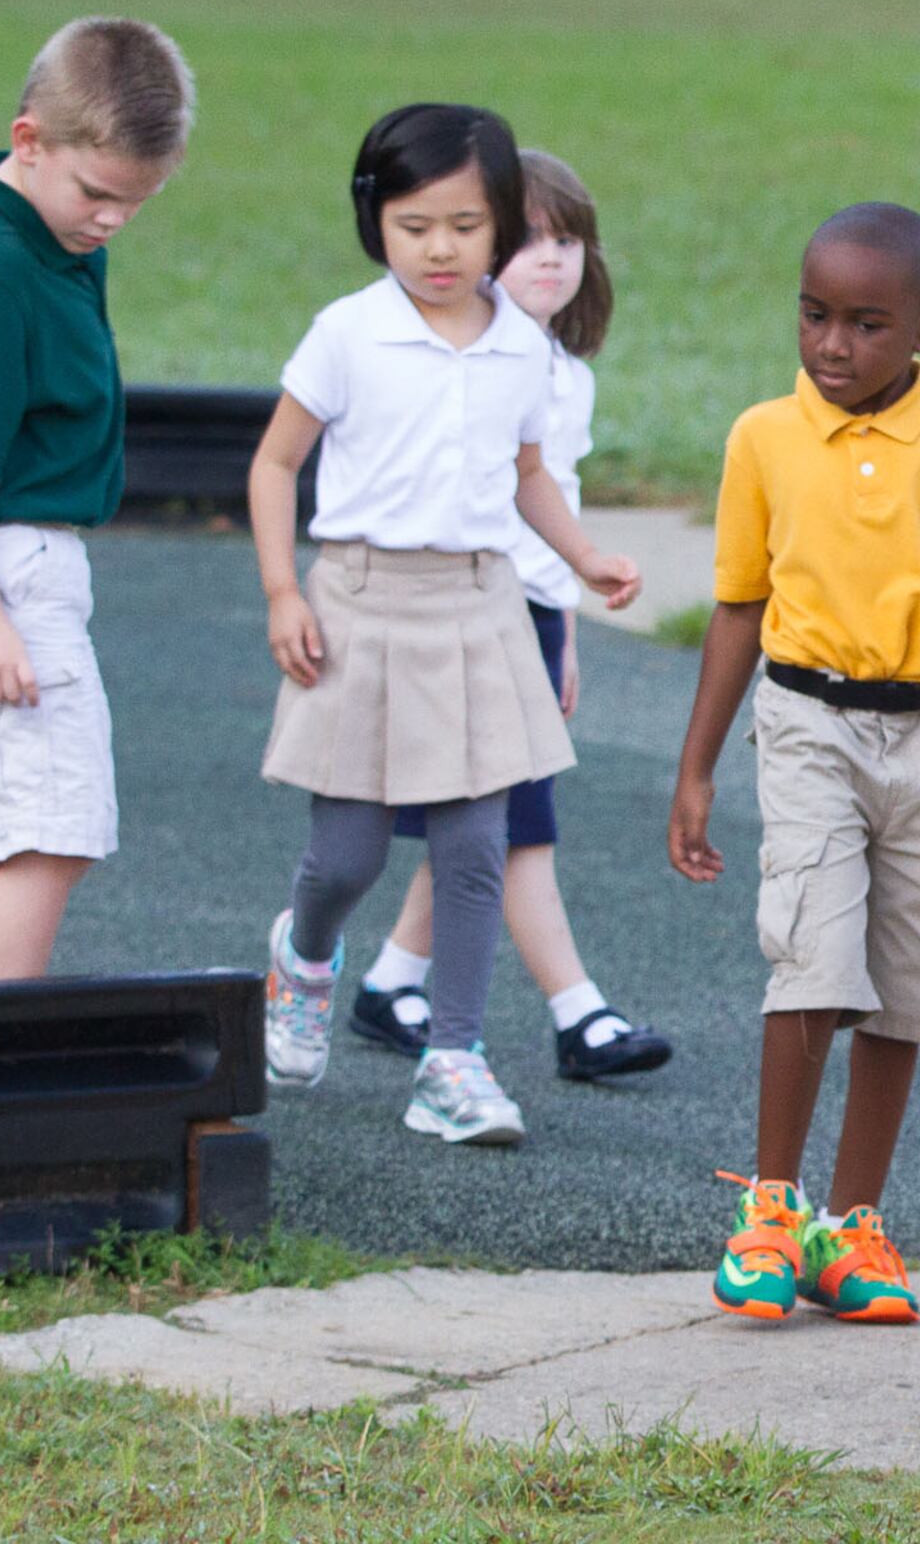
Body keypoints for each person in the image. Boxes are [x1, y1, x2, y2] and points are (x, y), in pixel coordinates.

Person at [665, 201, 920, 1326]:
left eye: (867, 325)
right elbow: (738, 606)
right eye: (815, 316)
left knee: (915, 979)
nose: (833, 345)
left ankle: (850, 1226)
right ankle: (769, 1208)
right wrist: (695, 770)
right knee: (814, 951)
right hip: (806, 724)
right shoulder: (763, 438)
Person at [244, 103, 642, 1148]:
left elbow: (525, 477)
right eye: (416, 224)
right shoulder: (346, 332)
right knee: (347, 854)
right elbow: (276, 463)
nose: (440, 248)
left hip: (480, 608)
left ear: (502, 226)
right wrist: (286, 591)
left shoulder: (523, 351)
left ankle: (453, 1061)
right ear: (376, 221)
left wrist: (583, 554)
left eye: (467, 226)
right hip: (360, 607)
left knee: (475, 847)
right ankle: (307, 955)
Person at [0, 17, 196, 985]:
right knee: (50, 839)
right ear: (29, 142)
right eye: (98, 193)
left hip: (17, 556)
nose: (111, 220)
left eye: (137, 202)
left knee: (33, 838)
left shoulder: (50, 228)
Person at [350, 150, 670, 1082]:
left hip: (527, 613)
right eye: (527, 239)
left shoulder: (564, 372)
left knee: (479, 815)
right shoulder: (467, 365)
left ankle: (389, 981)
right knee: (512, 822)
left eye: (567, 239)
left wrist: (562, 629)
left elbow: (551, 500)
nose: (551, 259)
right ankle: (579, 1012)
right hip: (460, 614)